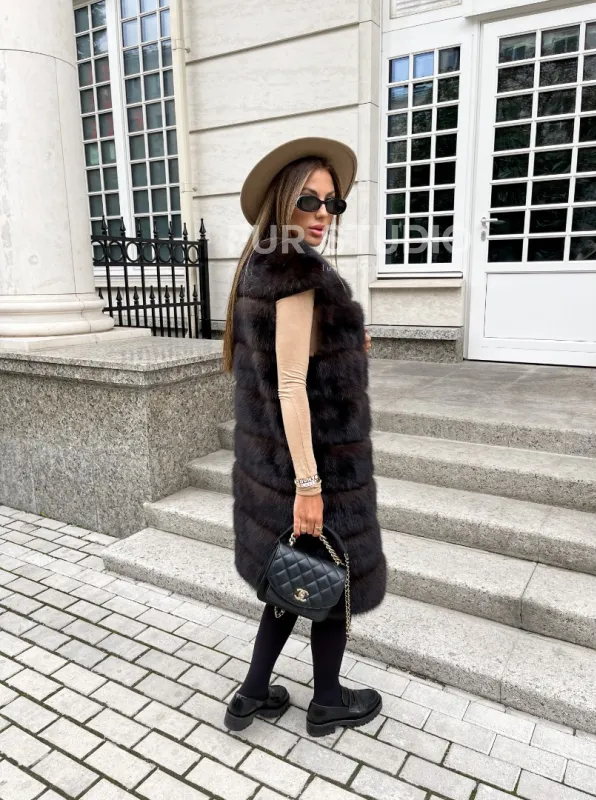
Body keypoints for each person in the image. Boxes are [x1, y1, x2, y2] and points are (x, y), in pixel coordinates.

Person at [222, 137, 387, 738]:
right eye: (309, 200)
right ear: (283, 201)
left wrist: (347, 342)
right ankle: (328, 701)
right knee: (333, 580)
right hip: (314, 466)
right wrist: (310, 486)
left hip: (275, 462)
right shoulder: (295, 273)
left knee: (294, 577)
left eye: (332, 203)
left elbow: (285, 362)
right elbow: (290, 385)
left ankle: (251, 696)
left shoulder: (261, 267)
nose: (323, 213)